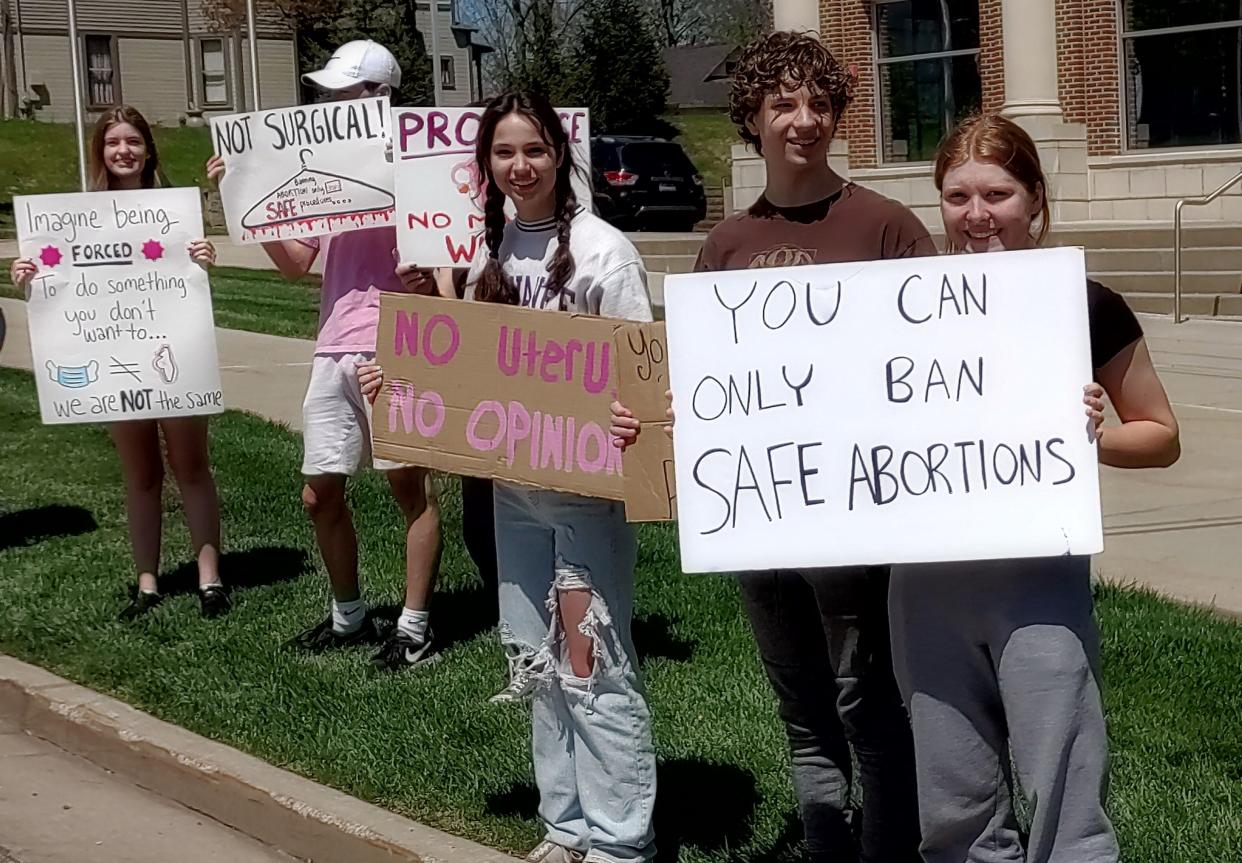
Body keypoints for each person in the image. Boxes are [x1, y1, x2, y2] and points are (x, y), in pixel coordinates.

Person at [610, 31, 930, 863]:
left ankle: (887, 853)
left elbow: (937, 372)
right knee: (803, 709)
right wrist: (655, 419)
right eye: (783, 103)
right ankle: (828, 847)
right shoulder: (726, 246)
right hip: (757, 518)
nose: (804, 120)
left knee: (868, 700)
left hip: (858, 518)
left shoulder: (887, 226)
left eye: (820, 103)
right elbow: (700, 385)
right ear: (752, 117)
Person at [362, 90, 657, 863]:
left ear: (560, 154)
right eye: (503, 153)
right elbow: (456, 372)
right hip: (512, 497)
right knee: (535, 661)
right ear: (485, 167)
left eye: (532, 150)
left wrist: (636, 419)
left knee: (592, 662)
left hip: (586, 495)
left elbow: (643, 374)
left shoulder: (603, 252)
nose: (519, 166)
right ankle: (565, 827)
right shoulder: (486, 251)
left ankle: (623, 840)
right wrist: (395, 382)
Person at [886, 113, 1180, 863]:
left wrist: (1095, 438)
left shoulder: (1085, 304)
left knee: (1064, 793)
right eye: (957, 196)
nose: (977, 215)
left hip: (1038, 583)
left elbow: (1162, 433)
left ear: (1035, 198)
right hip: (925, 586)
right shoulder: (894, 309)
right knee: (953, 808)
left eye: (998, 193)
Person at [206, 39, 442, 670]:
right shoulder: (325, 170)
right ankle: (350, 617)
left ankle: (414, 628)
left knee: (407, 486)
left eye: (345, 91)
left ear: (378, 96)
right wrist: (247, 201)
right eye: (330, 92)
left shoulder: (417, 161)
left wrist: (425, 283)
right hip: (334, 342)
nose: (331, 100)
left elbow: (445, 264)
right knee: (319, 494)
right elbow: (296, 264)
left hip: (397, 341)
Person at [11, 106, 226, 620]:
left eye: (132, 141)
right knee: (140, 473)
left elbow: (186, 287)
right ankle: (147, 582)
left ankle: (210, 580)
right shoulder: (71, 222)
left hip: (173, 354)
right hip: (111, 358)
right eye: (112, 143)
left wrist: (201, 260)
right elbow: (59, 292)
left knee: (191, 465)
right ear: (101, 152)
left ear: (149, 149)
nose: (123, 151)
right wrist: (28, 278)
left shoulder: (175, 215)